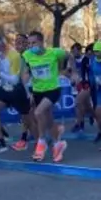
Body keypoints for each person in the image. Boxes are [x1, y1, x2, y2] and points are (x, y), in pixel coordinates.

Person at [21, 31, 70, 162]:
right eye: (29, 43)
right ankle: (58, 144)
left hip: (52, 89)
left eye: (34, 43)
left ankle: (41, 142)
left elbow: (68, 56)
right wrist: (25, 84)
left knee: (38, 113)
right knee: (48, 121)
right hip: (38, 91)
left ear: (41, 42)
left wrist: (68, 70)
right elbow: (26, 72)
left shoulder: (54, 52)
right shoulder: (27, 55)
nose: (31, 46)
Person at [0, 36, 34, 155]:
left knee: (28, 117)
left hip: (18, 89)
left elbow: (14, 79)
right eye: (17, 42)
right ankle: (0, 142)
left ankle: (40, 139)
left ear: (2, 44)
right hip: (5, 89)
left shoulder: (15, 56)